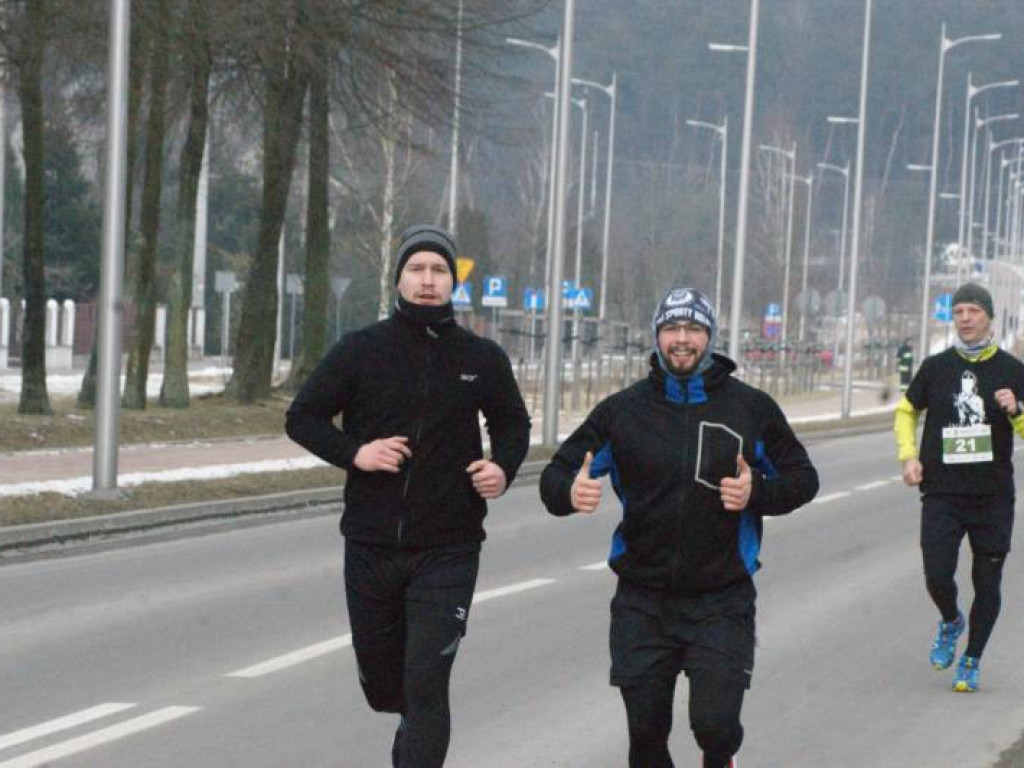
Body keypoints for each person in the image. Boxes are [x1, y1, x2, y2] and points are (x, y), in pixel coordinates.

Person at [539, 288, 819, 768]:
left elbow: (804, 478)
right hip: (642, 600)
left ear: (709, 336)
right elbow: (556, 474)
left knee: (716, 727)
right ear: (658, 337)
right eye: (672, 329)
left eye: (693, 329)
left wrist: (758, 494)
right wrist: (568, 494)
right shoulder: (622, 411)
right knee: (646, 738)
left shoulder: (750, 408)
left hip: (722, 598)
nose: (682, 340)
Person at [286, 224, 531, 767]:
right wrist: (357, 454)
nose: (427, 281)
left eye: (439, 270)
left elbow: (514, 425)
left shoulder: (481, 358)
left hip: (449, 546)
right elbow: (301, 417)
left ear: (453, 282)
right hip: (372, 543)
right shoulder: (361, 351)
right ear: (398, 278)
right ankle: (409, 725)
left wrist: (502, 469)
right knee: (383, 687)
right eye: (416, 270)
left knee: (426, 680)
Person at [894, 282, 1024, 693]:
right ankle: (951, 620)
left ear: (988, 316)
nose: (965, 318)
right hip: (942, 493)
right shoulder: (936, 367)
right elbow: (905, 411)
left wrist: (1016, 411)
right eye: (959, 311)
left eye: (973, 311)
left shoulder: (1013, 370)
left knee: (987, 583)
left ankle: (971, 659)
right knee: (937, 573)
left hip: (992, 497)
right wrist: (908, 455)